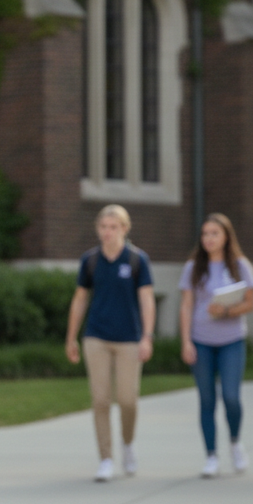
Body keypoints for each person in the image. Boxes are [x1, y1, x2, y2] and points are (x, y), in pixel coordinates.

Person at [65, 204, 156, 481]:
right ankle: (105, 458)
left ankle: (127, 444)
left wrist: (147, 337)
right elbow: (80, 299)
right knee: (101, 399)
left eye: (113, 227)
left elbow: (147, 299)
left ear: (124, 229)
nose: (107, 232)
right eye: (103, 227)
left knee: (128, 400)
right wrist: (71, 337)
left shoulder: (137, 260)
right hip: (96, 337)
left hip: (129, 339)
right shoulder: (90, 260)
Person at [179, 214, 253, 478]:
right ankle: (211, 455)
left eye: (214, 233)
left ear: (226, 236)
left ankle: (235, 442)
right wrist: (186, 341)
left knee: (232, 397)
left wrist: (226, 310)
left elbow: (250, 303)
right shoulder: (193, 267)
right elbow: (187, 305)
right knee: (206, 399)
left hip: (231, 341)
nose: (209, 239)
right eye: (205, 234)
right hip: (201, 341)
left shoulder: (239, 265)